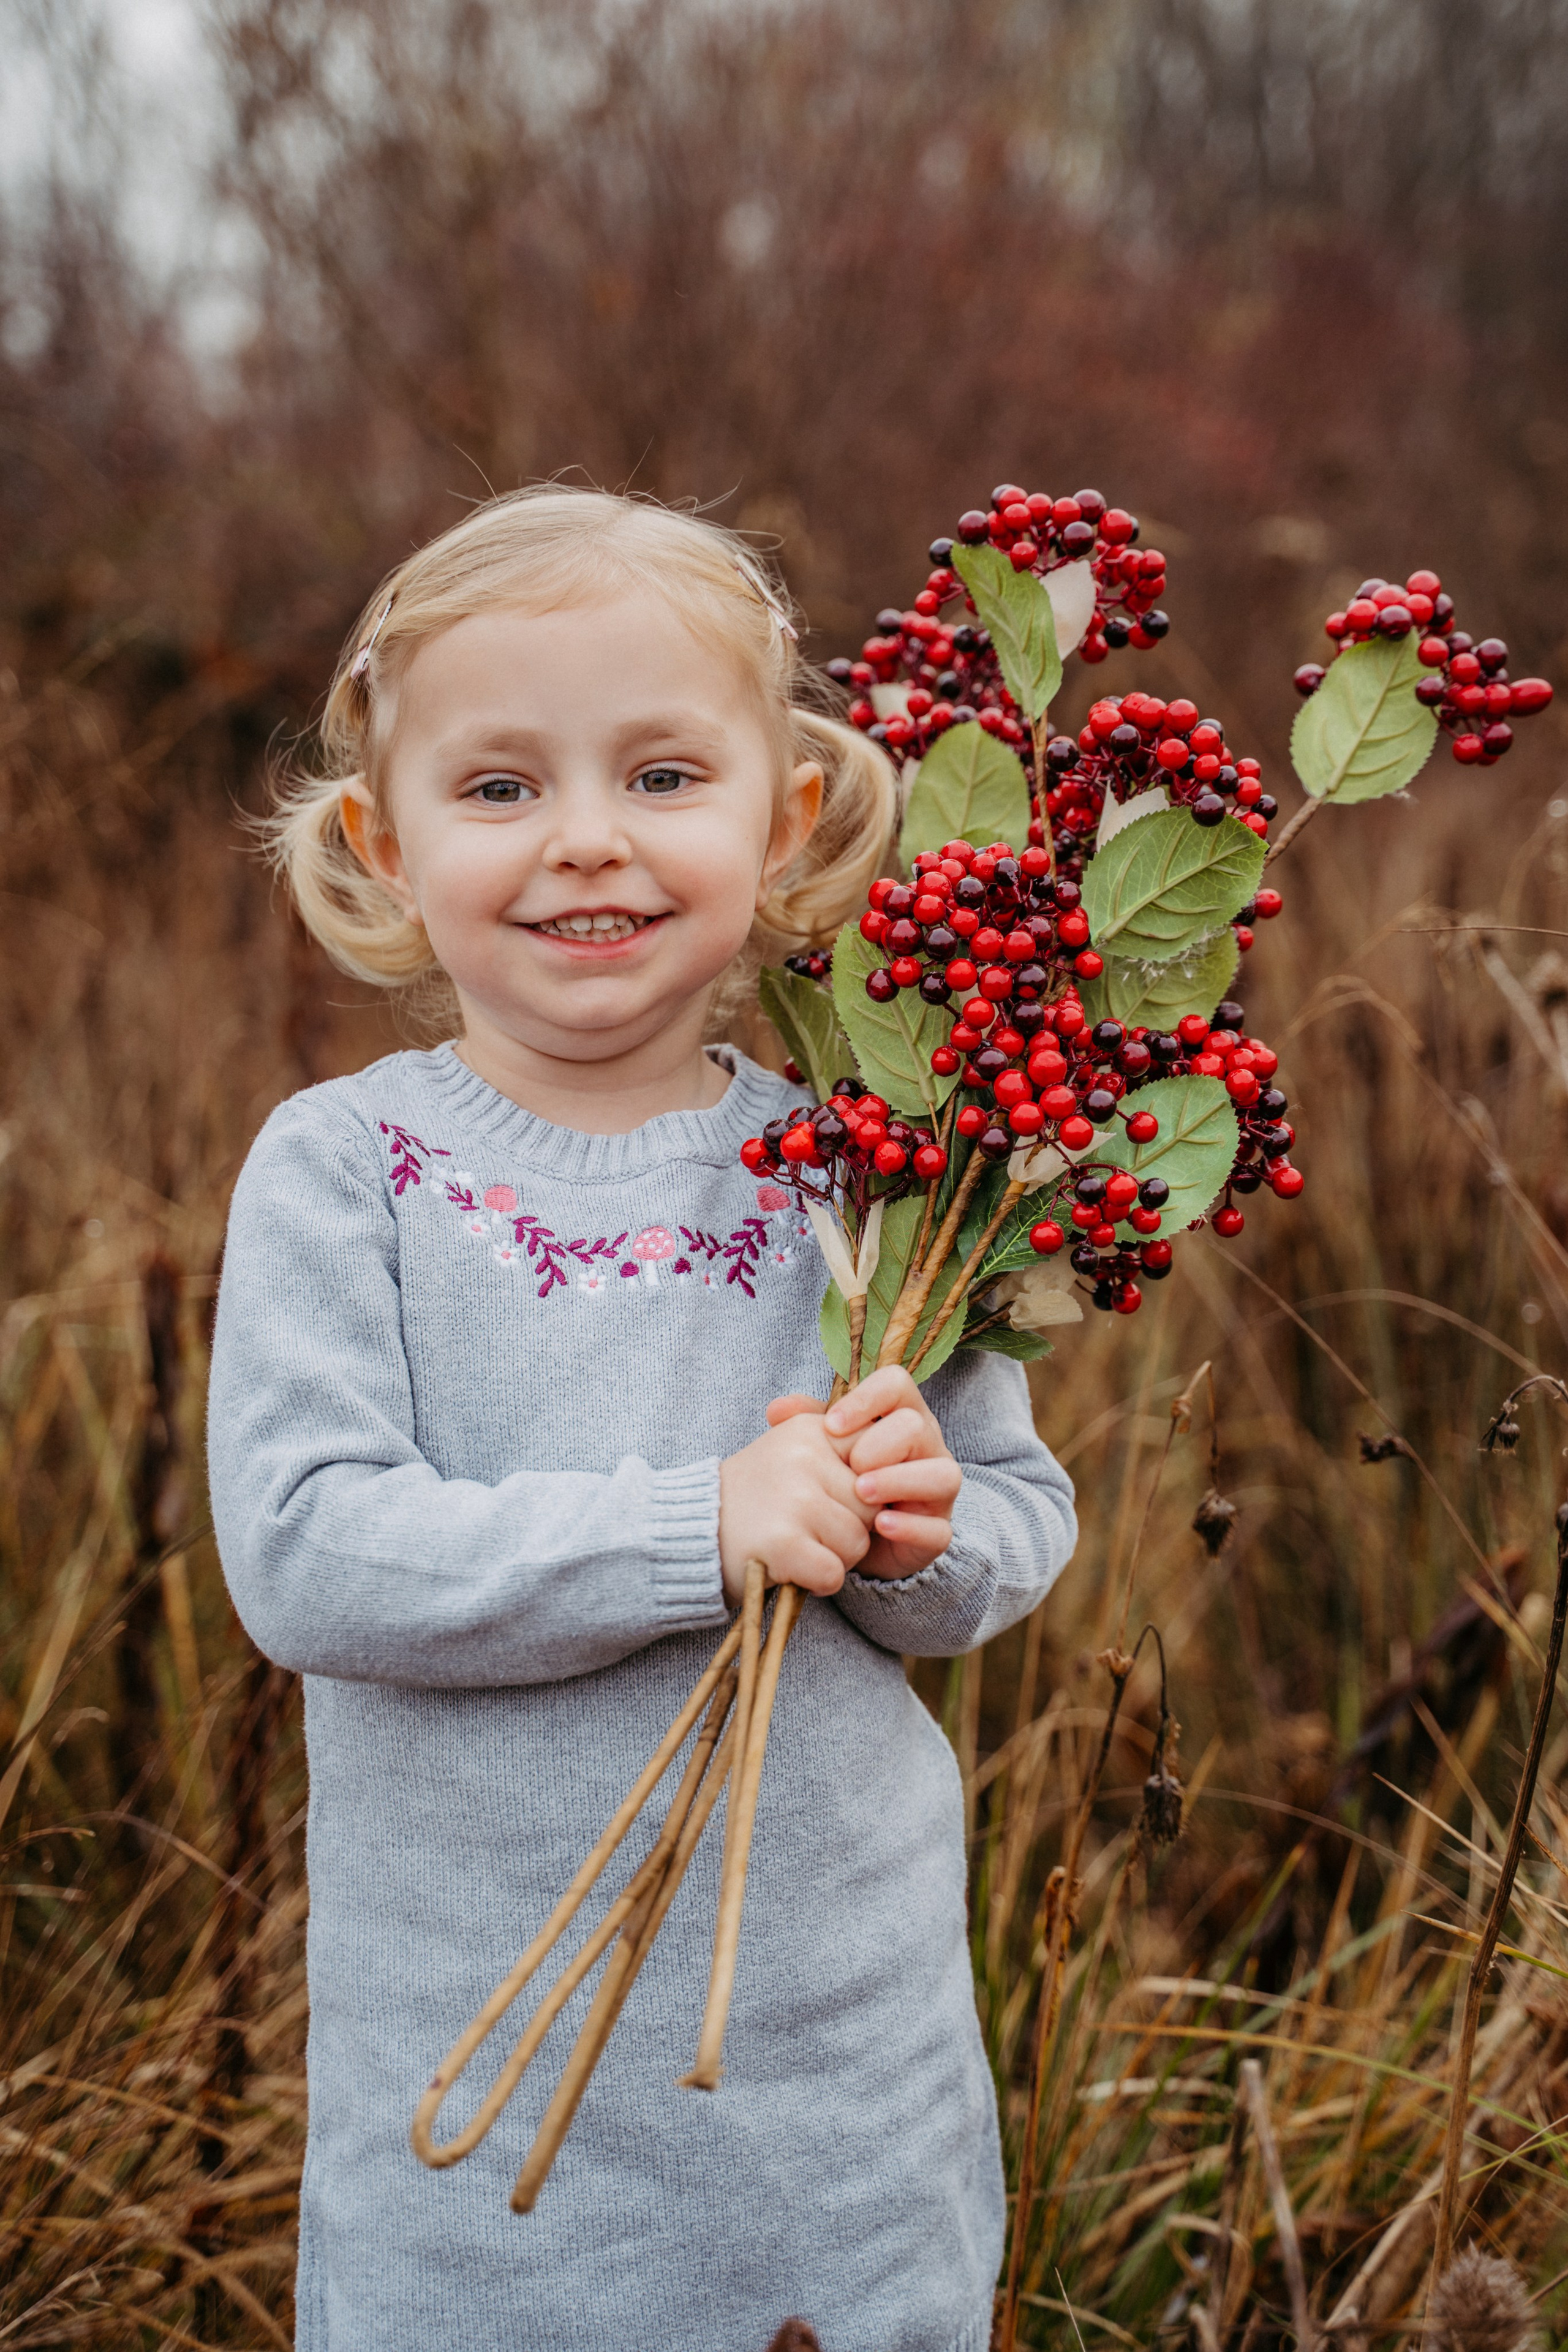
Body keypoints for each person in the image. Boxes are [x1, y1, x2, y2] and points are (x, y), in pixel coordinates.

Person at [208, 484, 1077, 2352]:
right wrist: (702, 1524)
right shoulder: (346, 1170)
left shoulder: (873, 1170)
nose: (586, 843)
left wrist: (925, 1531)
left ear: (788, 820)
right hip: (495, 2109)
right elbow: (305, 1551)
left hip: (839, 2097)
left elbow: (1009, 1518)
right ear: (384, 838)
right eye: (501, 788)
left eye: (666, 777)